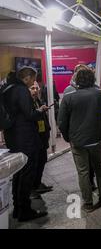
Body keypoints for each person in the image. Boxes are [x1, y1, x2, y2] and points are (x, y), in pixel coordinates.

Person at [58, 69, 101, 212]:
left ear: (76, 80)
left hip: (78, 141)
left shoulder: (68, 98)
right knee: (99, 168)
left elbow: (61, 121)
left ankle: (88, 203)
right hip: (96, 139)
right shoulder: (100, 94)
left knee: (83, 172)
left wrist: (68, 137)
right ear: (92, 79)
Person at [3, 67, 48, 222]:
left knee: (18, 172)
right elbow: (29, 114)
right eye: (33, 79)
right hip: (25, 138)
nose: (33, 83)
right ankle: (24, 210)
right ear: (27, 77)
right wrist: (40, 111)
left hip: (13, 137)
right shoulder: (21, 90)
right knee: (27, 174)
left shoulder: (7, 88)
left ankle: (18, 208)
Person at [63, 64, 97, 190]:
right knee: (84, 167)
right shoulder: (69, 90)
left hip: (89, 134)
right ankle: (90, 190)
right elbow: (64, 116)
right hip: (79, 134)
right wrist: (68, 136)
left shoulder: (95, 89)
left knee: (91, 165)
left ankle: (89, 190)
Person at [28, 81, 53, 199]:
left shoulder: (38, 101)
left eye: (36, 88)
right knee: (34, 163)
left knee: (42, 160)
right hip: (34, 138)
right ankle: (32, 188)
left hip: (42, 137)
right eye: (32, 88)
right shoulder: (27, 103)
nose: (35, 90)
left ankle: (38, 183)